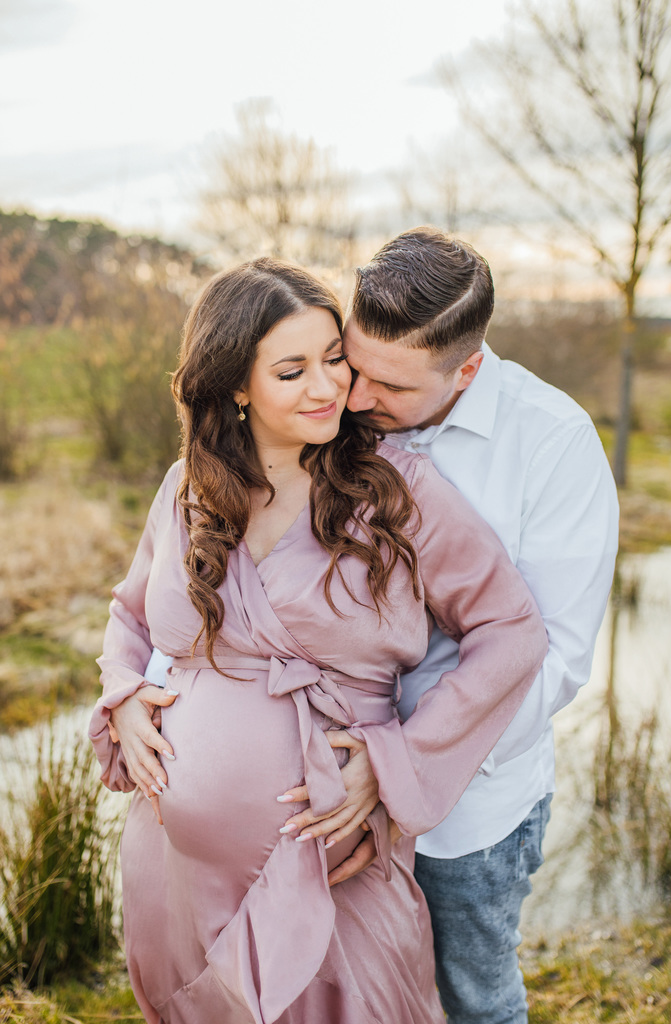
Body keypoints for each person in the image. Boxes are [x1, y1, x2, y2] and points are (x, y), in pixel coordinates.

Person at [89, 257, 547, 1024]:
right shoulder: (186, 489)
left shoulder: (395, 492)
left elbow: (511, 631)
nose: (329, 386)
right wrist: (124, 697)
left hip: (332, 856)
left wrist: (397, 760)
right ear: (236, 384)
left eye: (334, 358)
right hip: (177, 869)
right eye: (293, 369)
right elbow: (131, 617)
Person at [284, 227, 618, 1024]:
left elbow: (553, 662)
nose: (356, 400)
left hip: (470, 812)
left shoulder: (554, 444)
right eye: (352, 366)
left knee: (471, 998)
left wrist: (397, 774)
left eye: (390, 387)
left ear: (467, 368)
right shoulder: (339, 415)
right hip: (325, 790)